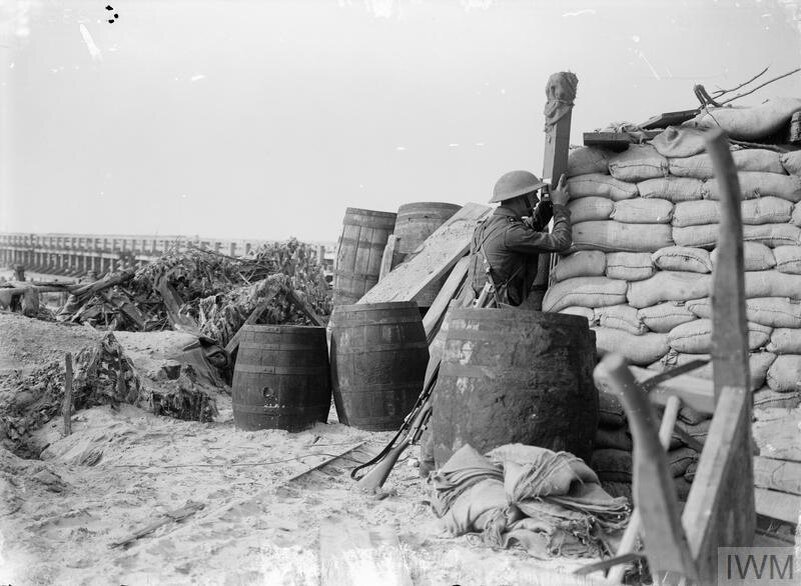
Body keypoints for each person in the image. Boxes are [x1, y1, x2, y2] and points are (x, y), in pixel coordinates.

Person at [468, 169, 572, 307]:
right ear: (520, 198)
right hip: (494, 312)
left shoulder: (489, 225)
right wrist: (559, 207)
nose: (536, 200)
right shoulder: (511, 233)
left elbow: (530, 225)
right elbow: (561, 242)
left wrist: (547, 202)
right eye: (533, 195)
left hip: (475, 308)